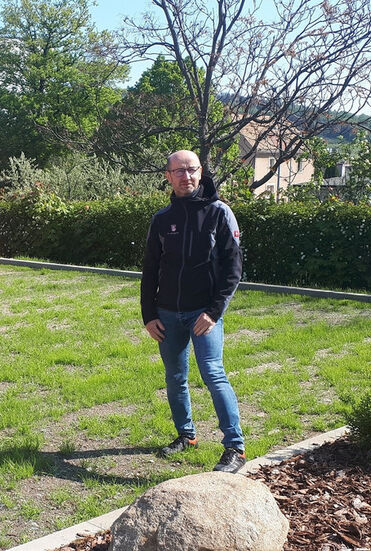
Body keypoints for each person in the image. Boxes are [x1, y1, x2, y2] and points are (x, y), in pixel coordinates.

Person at [141, 150, 247, 473]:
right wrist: (149, 315)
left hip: (204, 313)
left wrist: (214, 312)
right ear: (167, 176)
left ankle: (235, 448)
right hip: (167, 315)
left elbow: (233, 269)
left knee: (213, 373)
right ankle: (186, 436)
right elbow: (150, 269)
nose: (186, 176)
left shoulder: (219, 213)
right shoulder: (161, 220)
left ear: (201, 173)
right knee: (175, 378)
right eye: (179, 171)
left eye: (191, 170)